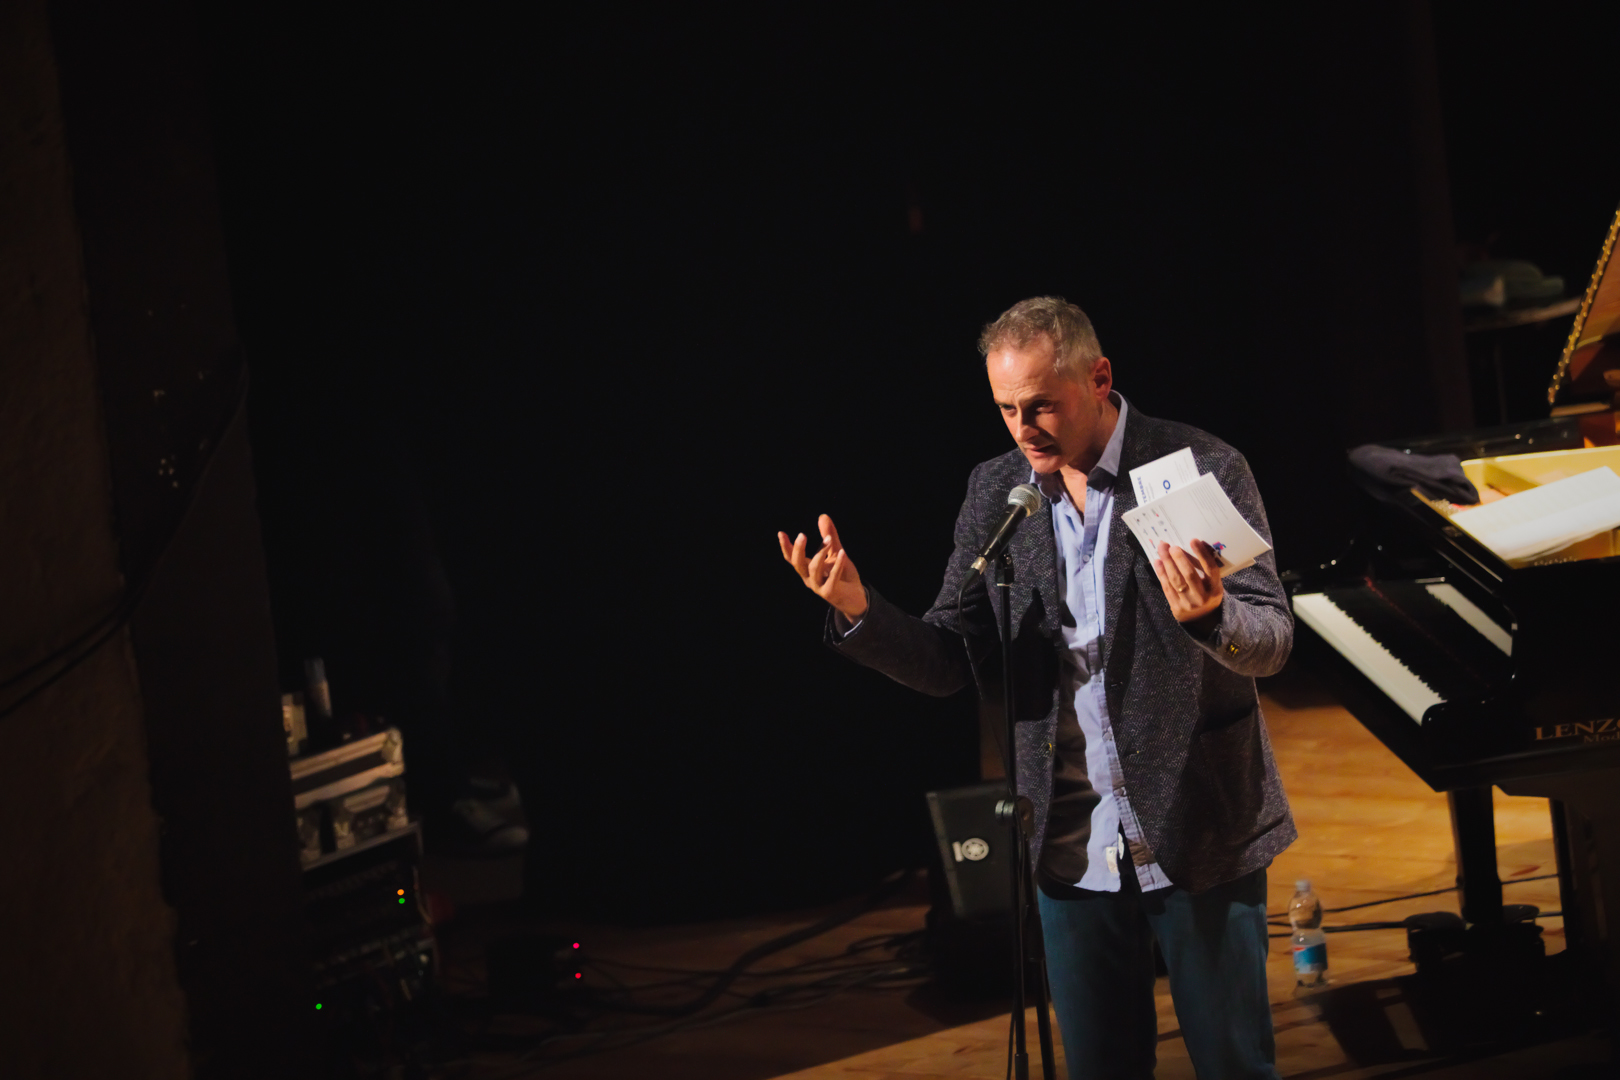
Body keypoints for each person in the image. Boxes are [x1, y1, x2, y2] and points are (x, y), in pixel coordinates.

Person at [777, 297, 1294, 1080]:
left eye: (1042, 404)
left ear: (1100, 378)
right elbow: (951, 657)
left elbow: (1273, 639)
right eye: (1007, 409)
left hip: (1198, 824)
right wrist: (860, 610)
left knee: (1234, 1066)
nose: (1024, 428)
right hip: (1069, 844)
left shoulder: (1193, 466)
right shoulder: (999, 495)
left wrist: (1214, 618)